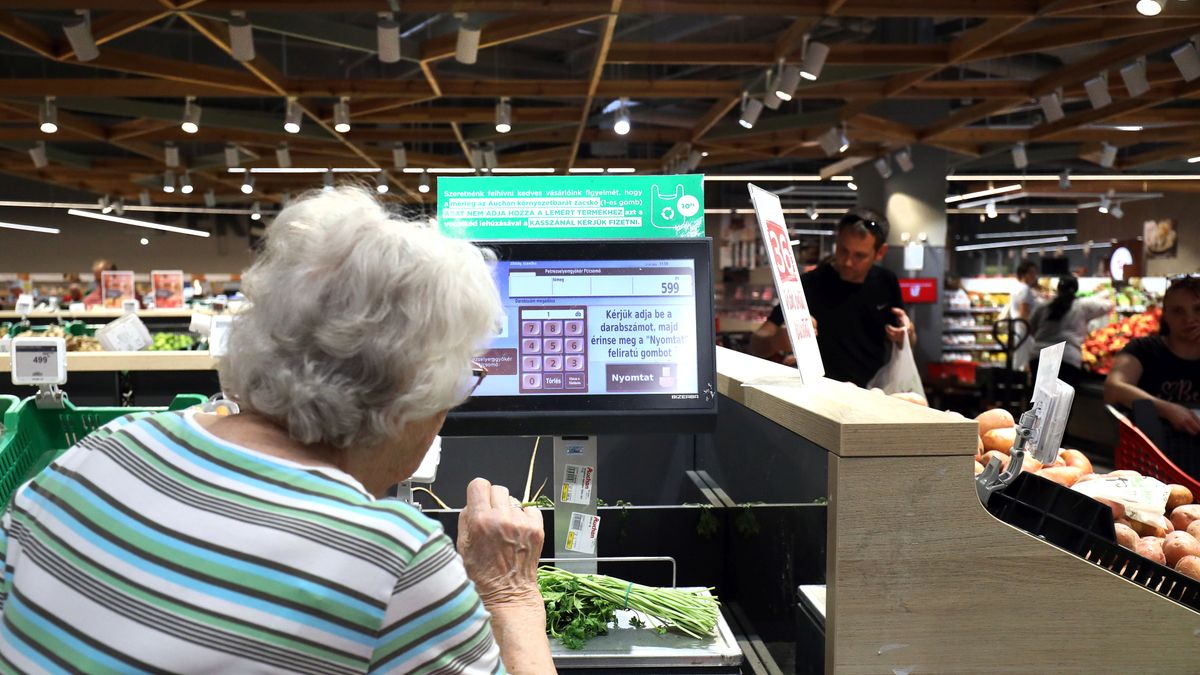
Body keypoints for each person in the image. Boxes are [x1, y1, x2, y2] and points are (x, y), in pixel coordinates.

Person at [0, 188, 555, 673]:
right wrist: (513, 597)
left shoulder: (100, 453)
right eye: (463, 379)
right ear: (412, 393)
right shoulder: (390, 560)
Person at [751, 208, 915, 387]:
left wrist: (907, 335)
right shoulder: (809, 283)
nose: (847, 262)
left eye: (859, 256)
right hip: (821, 396)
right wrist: (778, 340)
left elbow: (906, 339)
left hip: (872, 395)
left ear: (880, 252)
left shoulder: (886, 281)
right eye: (843, 250)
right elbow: (756, 344)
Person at [1105, 276, 1200, 435]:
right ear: (1165, 316)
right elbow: (1113, 388)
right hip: (1148, 451)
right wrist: (1168, 410)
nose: (1189, 319)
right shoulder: (1143, 349)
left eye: (1198, 309)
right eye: (1178, 311)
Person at [1029, 275, 1113, 388]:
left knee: (1040, 401)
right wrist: (1105, 294)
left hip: (1039, 356)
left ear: (1058, 289)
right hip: (1067, 359)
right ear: (1076, 289)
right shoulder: (1082, 305)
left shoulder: (1044, 306)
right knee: (1063, 403)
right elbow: (1108, 305)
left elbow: (1031, 328)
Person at [1006, 260, 1042, 372]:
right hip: (1025, 331)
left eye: (1035, 273)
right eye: (1031, 273)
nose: (1034, 276)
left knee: (1018, 361)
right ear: (1023, 273)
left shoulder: (1016, 287)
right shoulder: (1025, 289)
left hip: (1017, 330)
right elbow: (1024, 314)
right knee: (1025, 363)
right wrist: (1033, 332)